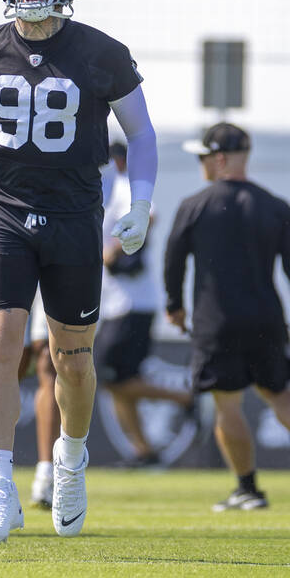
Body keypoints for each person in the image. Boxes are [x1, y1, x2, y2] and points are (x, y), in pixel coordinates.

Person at [0, 0, 158, 545]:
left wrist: (140, 205)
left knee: (72, 360)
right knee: (0, 347)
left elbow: (140, 133)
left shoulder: (101, 51)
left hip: (73, 215)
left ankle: (72, 461)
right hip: (3, 208)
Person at [164, 122, 290, 511]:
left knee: (227, 405)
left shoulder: (194, 206)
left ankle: (248, 488)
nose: (202, 164)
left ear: (219, 158)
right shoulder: (275, 206)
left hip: (216, 322)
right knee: (279, 391)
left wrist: (175, 305)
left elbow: (173, 261)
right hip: (267, 320)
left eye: (204, 157)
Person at [100, 141, 193, 468]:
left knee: (113, 379)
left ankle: (187, 399)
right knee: (115, 382)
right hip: (120, 303)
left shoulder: (123, 185)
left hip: (131, 303)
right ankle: (143, 450)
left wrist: (114, 249)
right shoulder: (112, 186)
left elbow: (149, 215)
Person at [20, 290, 60, 508]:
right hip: (13, 261)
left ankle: (47, 473)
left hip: (54, 264)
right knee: (11, 360)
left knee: (48, 357)